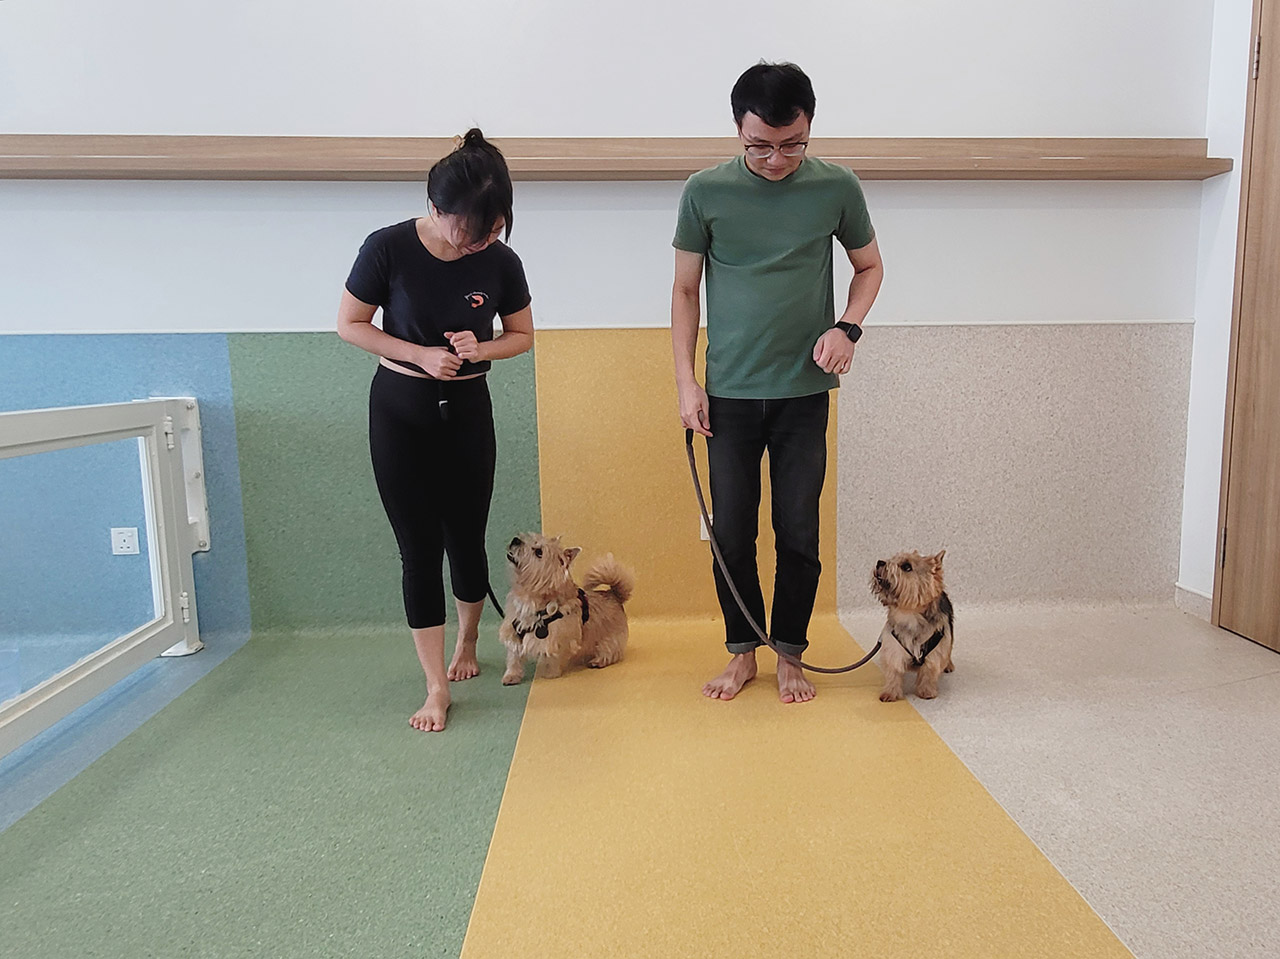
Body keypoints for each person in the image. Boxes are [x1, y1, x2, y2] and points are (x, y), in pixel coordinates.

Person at [671, 62, 884, 704]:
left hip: (804, 393)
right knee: (733, 530)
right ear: (738, 130)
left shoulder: (837, 186)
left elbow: (869, 267)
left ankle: (790, 651)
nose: (775, 159)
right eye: (759, 145)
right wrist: (687, 383)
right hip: (727, 394)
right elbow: (684, 290)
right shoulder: (704, 191)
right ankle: (743, 653)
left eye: (792, 144)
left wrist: (847, 328)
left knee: (799, 529)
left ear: (809, 128)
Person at [337, 129, 534, 732]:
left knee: (467, 539)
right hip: (399, 409)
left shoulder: (500, 261)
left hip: (468, 411)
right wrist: (419, 355)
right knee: (417, 550)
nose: (475, 242)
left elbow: (522, 338)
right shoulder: (387, 247)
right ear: (436, 207)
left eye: (491, 230)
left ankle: (469, 643)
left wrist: (485, 348)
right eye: (465, 229)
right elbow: (350, 324)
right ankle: (434, 687)